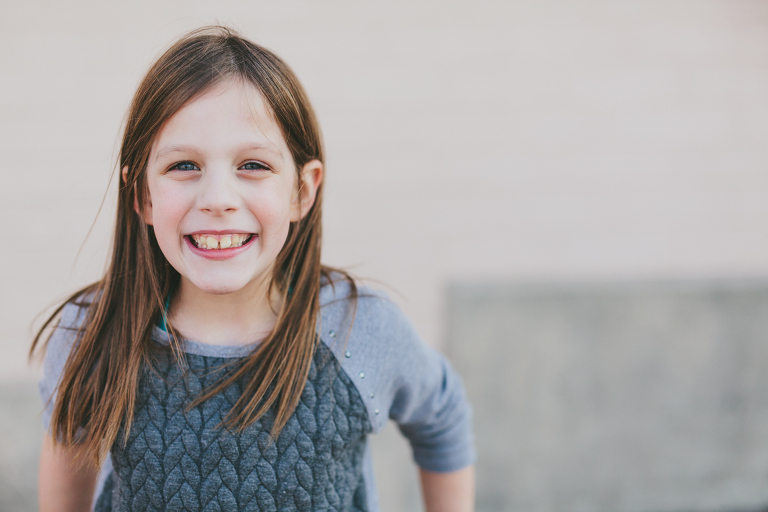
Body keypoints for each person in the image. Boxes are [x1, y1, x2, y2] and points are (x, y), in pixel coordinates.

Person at [32, 26, 475, 512]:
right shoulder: (92, 336)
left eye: (253, 166)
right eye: (183, 165)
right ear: (142, 194)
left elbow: (442, 416)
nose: (218, 199)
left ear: (302, 191)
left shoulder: (358, 331)